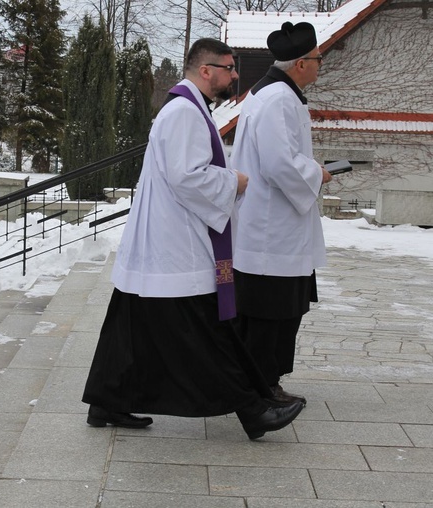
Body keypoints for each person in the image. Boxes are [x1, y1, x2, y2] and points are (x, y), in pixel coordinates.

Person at [81, 38, 304, 440]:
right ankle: (253, 411)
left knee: (130, 325)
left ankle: (107, 400)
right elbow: (188, 176)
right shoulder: (184, 112)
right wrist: (232, 182)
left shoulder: (185, 107)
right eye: (229, 67)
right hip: (175, 246)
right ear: (206, 70)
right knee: (208, 331)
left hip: (160, 243)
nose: (234, 75)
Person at [230, 22, 332, 406]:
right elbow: (277, 163)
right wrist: (317, 173)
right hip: (272, 229)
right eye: (319, 59)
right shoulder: (278, 99)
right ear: (301, 63)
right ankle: (260, 388)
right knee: (270, 314)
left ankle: (261, 382)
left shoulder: (274, 93)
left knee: (275, 311)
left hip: (273, 225)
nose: (321, 65)